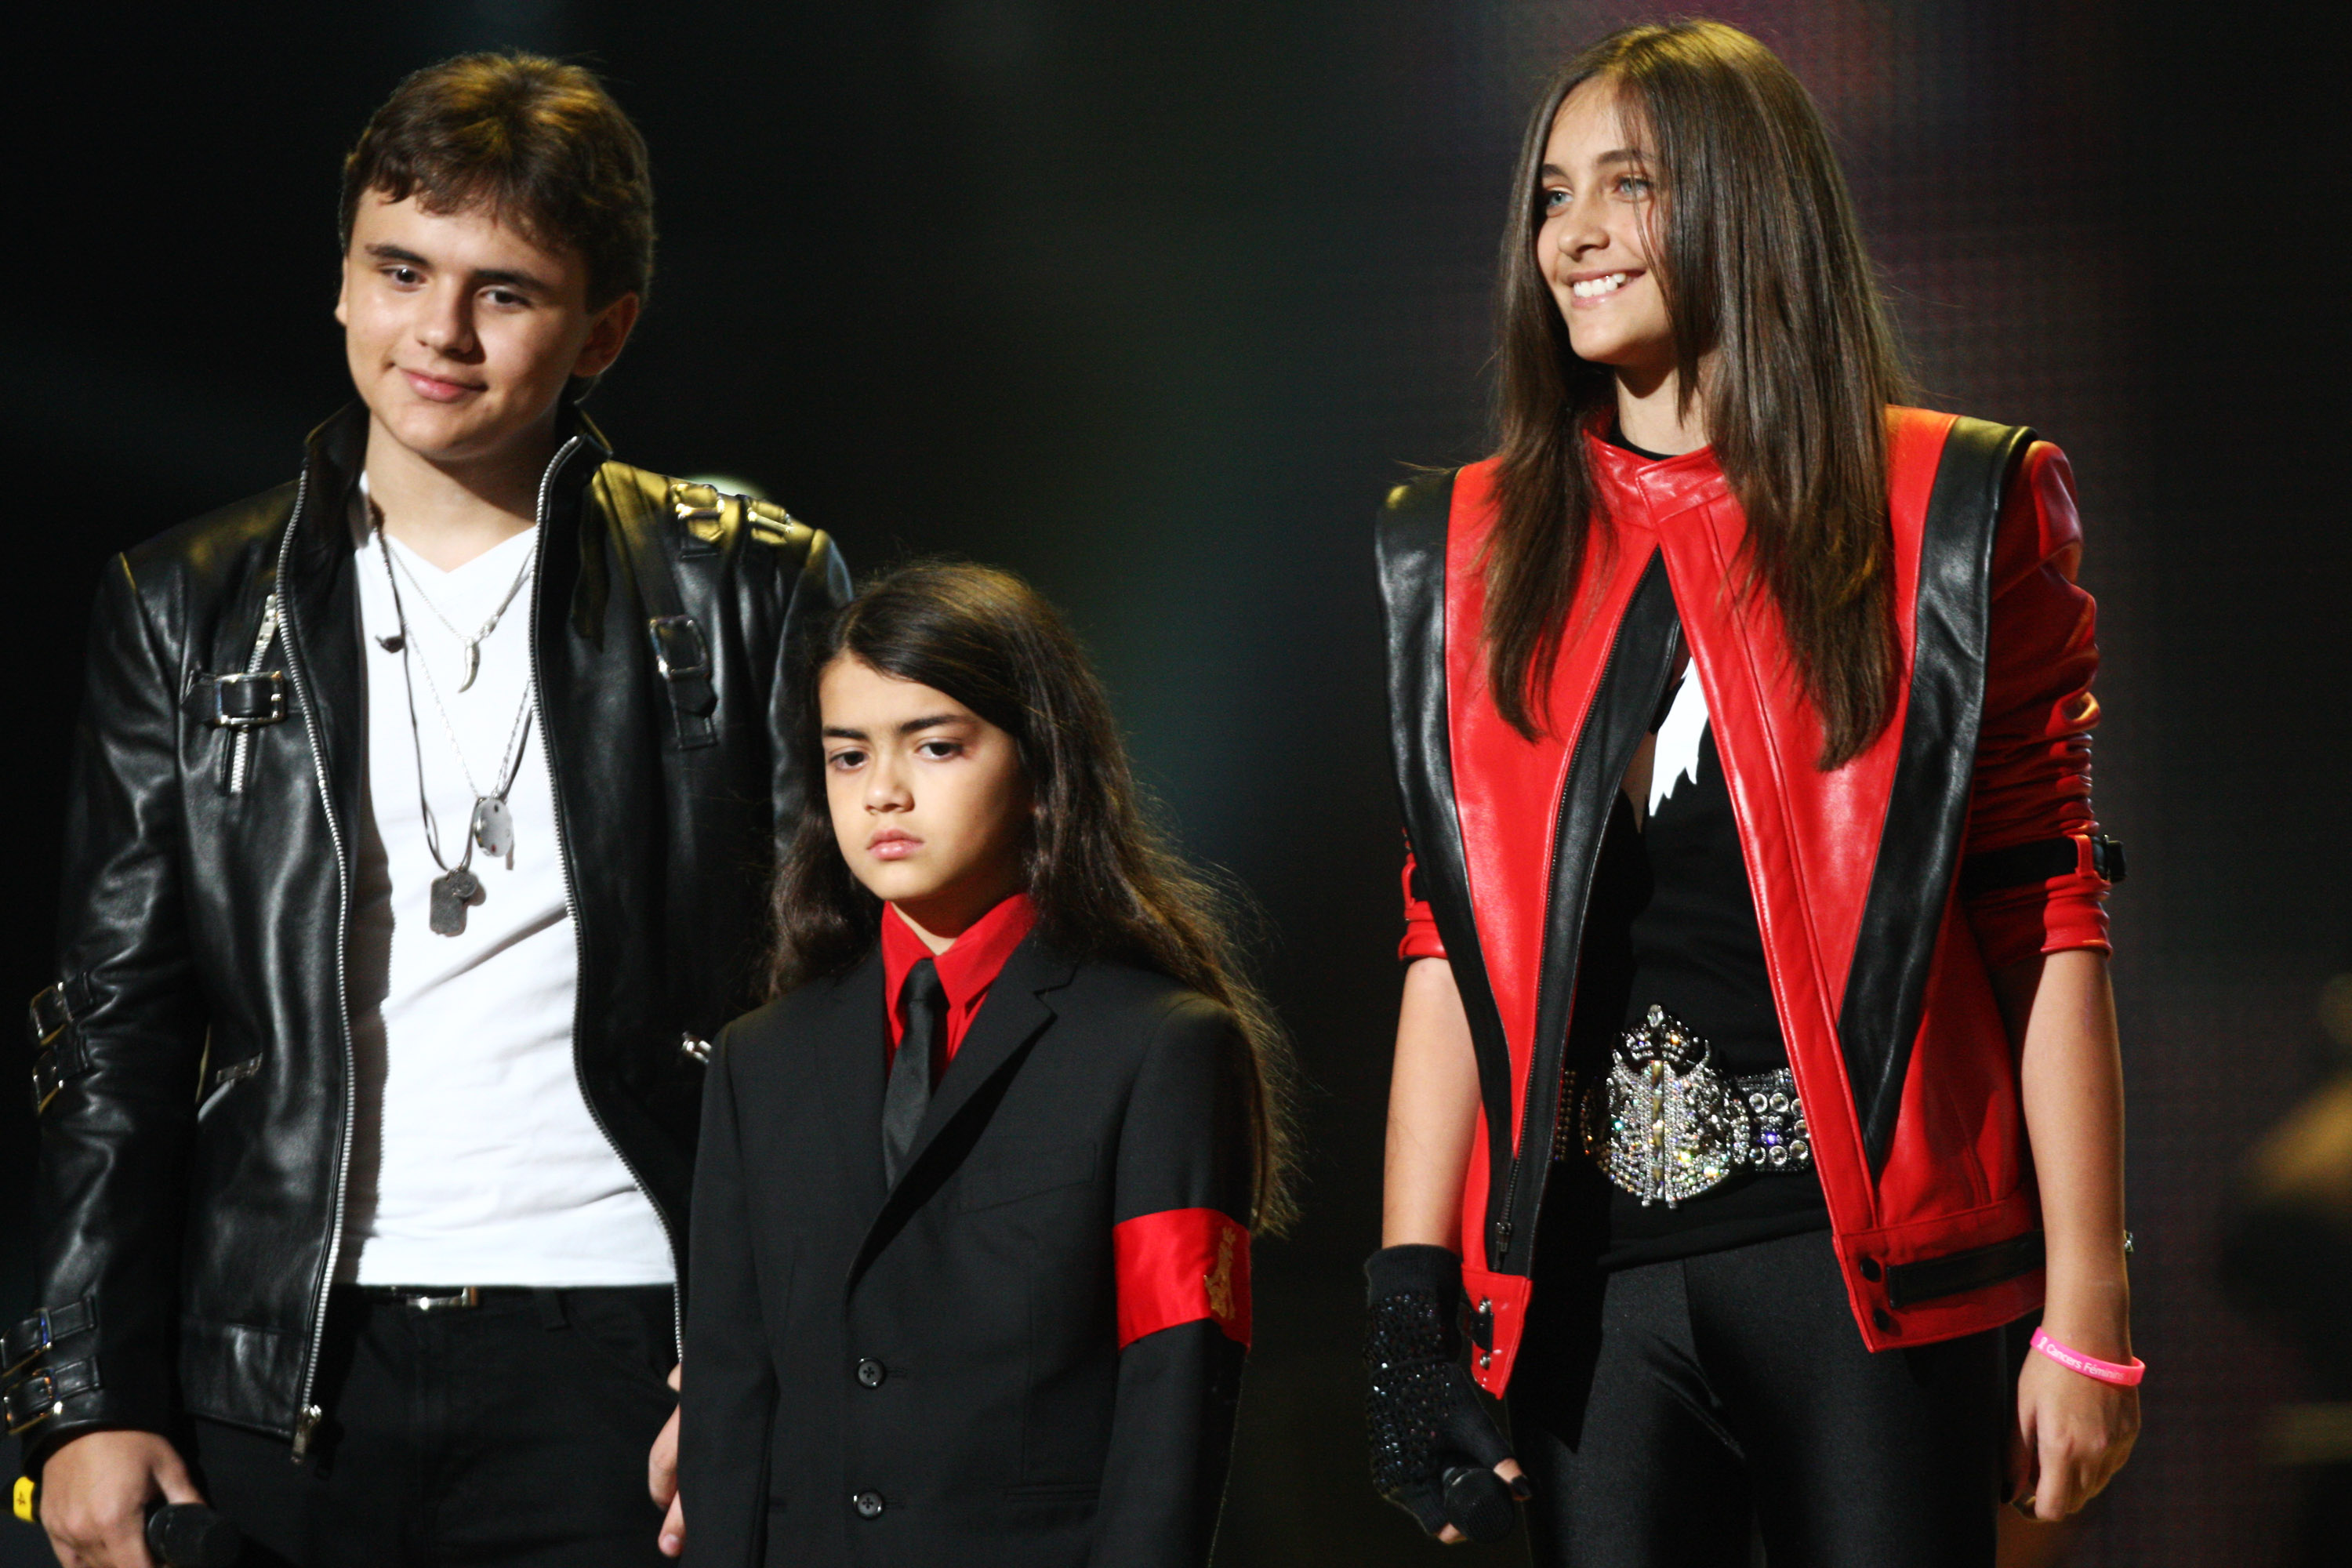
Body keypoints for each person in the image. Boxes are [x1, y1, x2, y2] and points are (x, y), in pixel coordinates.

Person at [16, 53, 848, 1568]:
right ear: (342, 282)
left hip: (629, 1349)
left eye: (506, 291)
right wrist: (79, 1397)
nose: (440, 332)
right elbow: (114, 1020)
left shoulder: (747, 584)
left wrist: (763, 1367)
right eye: (401, 270)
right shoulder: (185, 604)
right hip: (279, 1365)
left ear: (605, 330)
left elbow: (832, 1008)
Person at [1363, 21, 2139, 1566]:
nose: (1571, 236)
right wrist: (1408, 1289)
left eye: (1626, 187)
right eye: (1549, 196)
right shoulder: (1462, 548)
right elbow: (1447, 932)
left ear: (1744, 200)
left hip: (1871, 1271)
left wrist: (2090, 1311)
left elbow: (2042, 902)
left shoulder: (1954, 508)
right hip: (1594, 1284)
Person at [677, 561, 1292, 1566]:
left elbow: (1176, 1388)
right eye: (846, 755)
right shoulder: (762, 1059)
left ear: (1044, 771)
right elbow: (730, 1395)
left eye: (936, 745)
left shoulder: (1158, 1045)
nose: (883, 790)